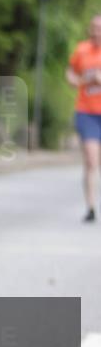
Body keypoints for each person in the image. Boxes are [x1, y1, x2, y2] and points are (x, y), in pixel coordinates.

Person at [66, 14, 101, 223]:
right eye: (94, 28)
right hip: (86, 111)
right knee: (90, 159)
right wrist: (74, 80)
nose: (97, 31)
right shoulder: (81, 50)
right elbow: (71, 72)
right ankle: (90, 206)